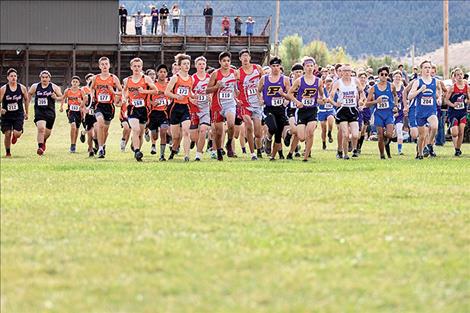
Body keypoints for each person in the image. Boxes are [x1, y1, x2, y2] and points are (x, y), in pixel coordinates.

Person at [121, 58, 157, 162]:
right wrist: (124, 98)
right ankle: (137, 151)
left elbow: (155, 91)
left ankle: (137, 151)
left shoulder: (146, 79)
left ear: (141, 67)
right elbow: (124, 91)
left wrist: (144, 91)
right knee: (136, 130)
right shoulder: (127, 80)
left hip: (143, 109)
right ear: (131, 67)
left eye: (139, 66)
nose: (136, 68)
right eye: (135, 66)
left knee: (140, 133)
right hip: (132, 108)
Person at [288, 57, 323, 162]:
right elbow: (289, 93)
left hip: (312, 110)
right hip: (301, 111)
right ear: (304, 67)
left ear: (314, 67)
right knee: (302, 137)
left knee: (310, 133)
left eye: (311, 66)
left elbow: (321, 95)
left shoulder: (318, 81)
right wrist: (297, 102)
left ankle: (306, 157)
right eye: (307, 66)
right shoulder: (299, 81)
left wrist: (322, 100)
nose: (309, 68)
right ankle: (290, 134)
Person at [206, 51, 239, 160]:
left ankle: (229, 143)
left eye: (228, 61)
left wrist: (237, 95)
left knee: (231, 124)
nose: (226, 63)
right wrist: (216, 86)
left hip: (230, 103)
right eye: (224, 61)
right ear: (220, 62)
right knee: (219, 132)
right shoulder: (215, 74)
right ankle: (219, 150)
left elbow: (236, 87)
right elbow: (207, 90)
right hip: (218, 105)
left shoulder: (235, 73)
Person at [407, 60, 441, 159]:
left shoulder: (435, 81)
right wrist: (420, 90)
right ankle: (420, 154)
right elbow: (409, 96)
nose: (427, 69)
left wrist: (439, 99)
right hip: (420, 112)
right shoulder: (417, 82)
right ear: (421, 69)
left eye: (429, 67)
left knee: (434, 126)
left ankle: (429, 145)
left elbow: (439, 93)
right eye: (425, 67)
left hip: (431, 110)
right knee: (421, 136)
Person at [90, 56, 123, 158]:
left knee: (105, 130)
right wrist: (91, 97)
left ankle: (102, 145)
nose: (104, 66)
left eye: (106, 64)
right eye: (102, 64)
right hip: (99, 105)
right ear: (99, 66)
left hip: (109, 107)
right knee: (100, 123)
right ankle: (100, 148)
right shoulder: (96, 78)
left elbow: (121, 91)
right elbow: (91, 89)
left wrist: (114, 93)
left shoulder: (113, 78)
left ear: (109, 65)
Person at [330, 64, 365, 159]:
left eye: (348, 71)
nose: (346, 73)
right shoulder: (338, 83)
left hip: (353, 109)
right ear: (341, 72)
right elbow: (331, 96)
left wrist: (361, 100)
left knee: (355, 134)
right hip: (342, 110)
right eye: (344, 71)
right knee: (345, 134)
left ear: (351, 72)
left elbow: (362, 93)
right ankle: (345, 154)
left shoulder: (355, 81)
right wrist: (335, 103)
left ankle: (354, 149)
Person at [165, 53, 194, 162]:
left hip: (185, 107)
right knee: (176, 137)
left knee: (186, 132)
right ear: (180, 66)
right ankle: (173, 152)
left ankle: (186, 156)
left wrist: (193, 97)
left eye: (188, 64)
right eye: (184, 64)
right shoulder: (175, 78)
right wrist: (176, 96)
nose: (187, 66)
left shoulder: (191, 79)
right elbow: (166, 92)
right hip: (175, 108)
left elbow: (189, 93)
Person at [366, 66, 398, 159]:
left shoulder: (391, 86)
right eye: (382, 74)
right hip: (379, 114)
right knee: (380, 136)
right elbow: (367, 104)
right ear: (378, 75)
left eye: (386, 74)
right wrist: (376, 101)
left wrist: (395, 105)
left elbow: (395, 96)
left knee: (389, 134)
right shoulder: (373, 88)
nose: (384, 76)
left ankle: (385, 139)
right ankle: (382, 155)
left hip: (389, 113)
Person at [28, 70, 63, 156]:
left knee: (47, 132)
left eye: (46, 77)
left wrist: (56, 97)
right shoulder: (35, 86)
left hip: (50, 112)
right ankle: (40, 148)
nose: (44, 79)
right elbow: (29, 94)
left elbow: (62, 97)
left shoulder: (54, 87)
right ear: (40, 78)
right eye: (43, 77)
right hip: (39, 111)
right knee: (41, 129)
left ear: (49, 78)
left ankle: (43, 141)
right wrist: (27, 106)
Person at [238, 49, 264, 160]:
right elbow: (234, 87)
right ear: (240, 59)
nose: (245, 58)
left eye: (246, 56)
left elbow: (265, 82)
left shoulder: (257, 69)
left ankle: (258, 149)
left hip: (257, 104)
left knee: (258, 133)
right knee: (248, 125)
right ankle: (252, 153)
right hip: (244, 104)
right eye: (243, 56)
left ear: (250, 57)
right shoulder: (238, 72)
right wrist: (236, 99)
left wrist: (263, 96)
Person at [0, 68, 29, 158]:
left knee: (17, 133)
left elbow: (26, 99)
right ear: (8, 78)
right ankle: (8, 152)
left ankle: (15, 136)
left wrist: (26, 112)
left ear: (17, 77)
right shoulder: (3, 89)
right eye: (11, 76)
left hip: (18, 114)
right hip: (6, 115)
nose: (13, 78)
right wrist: (0, 109)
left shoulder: (22, 88)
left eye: (15, 76)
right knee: (7, 133)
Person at [191, 56, 211, 161]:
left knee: (203, 130)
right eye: (199, 64)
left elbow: (213, 90)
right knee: (194, 136)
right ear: (195, 66)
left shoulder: (209, 78)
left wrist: (210, 97)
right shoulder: (192, 78)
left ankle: (198, 155)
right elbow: (188, 92)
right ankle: (195, 143)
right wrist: (191, 99)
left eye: (203, 64)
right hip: (194, 109)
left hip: (205, 109)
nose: (201, 66)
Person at [147, 66, 170, 160]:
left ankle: (162, 155)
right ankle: (151, 133)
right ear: (157, 73)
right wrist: (153, 103)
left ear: (167, 74)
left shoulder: (169, 84)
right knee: (155, 136)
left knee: (163, 131)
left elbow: (172, 95)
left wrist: (170, 101)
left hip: (164, 112)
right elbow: (147, 99)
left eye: (164, 72)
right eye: (160, 72)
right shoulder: (153, 85)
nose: (162, 73)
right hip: (153, 113)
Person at [445, 68, 469, 156]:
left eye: (461, 74)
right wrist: (453, 104)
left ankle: (458, 149)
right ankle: (456, 147)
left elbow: (468, 99)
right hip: (453, 112)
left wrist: (466, 101)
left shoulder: (467, 87)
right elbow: (446, 100)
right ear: (455, 77)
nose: (459, 76)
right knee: (455, 133)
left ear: (463, 75)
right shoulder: (452, 88)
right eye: (457, 75)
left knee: (461, 131)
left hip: (462, 112)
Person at [60, 76, 86, 153]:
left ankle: (74, 145)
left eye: (76, 82)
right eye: (73, 81)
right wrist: (61, 106)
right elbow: (63, 98)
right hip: (70, 111)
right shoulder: (67, 91)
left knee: (77, 128)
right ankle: (72, 144)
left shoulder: (81, 91)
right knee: (73, 126)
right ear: (71, 82)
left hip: (79, 112)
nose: (74, 83)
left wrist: (80, 101)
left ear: (79, 83)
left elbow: (85, 102)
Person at [286, 63, 304, 159]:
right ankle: (289, 132)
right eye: (296, 72)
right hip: (291, 109)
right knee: (294, 130)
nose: (298, 74)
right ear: (292, 73)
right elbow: (286, 94)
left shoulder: (305, 82)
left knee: (298, 134)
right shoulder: (288, 82)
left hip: (301, 109)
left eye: (300, 72)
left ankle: (291, 153)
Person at [82, 73, 98, 157]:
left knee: (96, 130)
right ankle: (90, 149)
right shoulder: (87, 96)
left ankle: (96, 141)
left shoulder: (99, 95)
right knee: (89, 134)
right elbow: (82, 106)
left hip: (97, 116)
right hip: (89, 117)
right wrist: (85, 109)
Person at [318, 76, 335, 150]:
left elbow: (336, 101)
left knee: (331, 121)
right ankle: (324, 143)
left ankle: (330, 133)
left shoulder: (334, 91)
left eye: (330, 84)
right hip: (322, 111)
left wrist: (332, 102)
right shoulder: (322, 91)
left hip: (330, 110)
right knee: (323, 128)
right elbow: (318, 100)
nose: (329, 85)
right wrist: (323, 101)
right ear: (324, 83)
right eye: (327, 83)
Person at [392, 70, 406, 155]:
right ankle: (385, 145)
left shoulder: (402, 88)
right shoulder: (390, 87)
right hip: (390, 112)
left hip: (400, 113)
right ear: (393, 77)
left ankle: (400, 150)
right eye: (396, 77)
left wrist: (405, 108)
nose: (397, 78)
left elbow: (405, 99)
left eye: (399, 77)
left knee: (399, 131)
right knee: (389, 132)